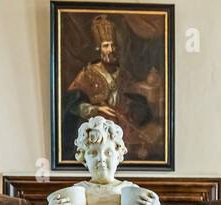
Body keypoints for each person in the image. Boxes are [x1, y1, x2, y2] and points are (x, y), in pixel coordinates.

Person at [61, 14, 163, 163]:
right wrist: (96, 110)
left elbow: (131, 97)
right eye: (106, 45)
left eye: (113, 45)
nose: (111, 50)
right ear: (99, 48)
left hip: (123, 131)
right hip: (96, 135)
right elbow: (69, 105)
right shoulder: (87, 74)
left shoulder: (123, 73)